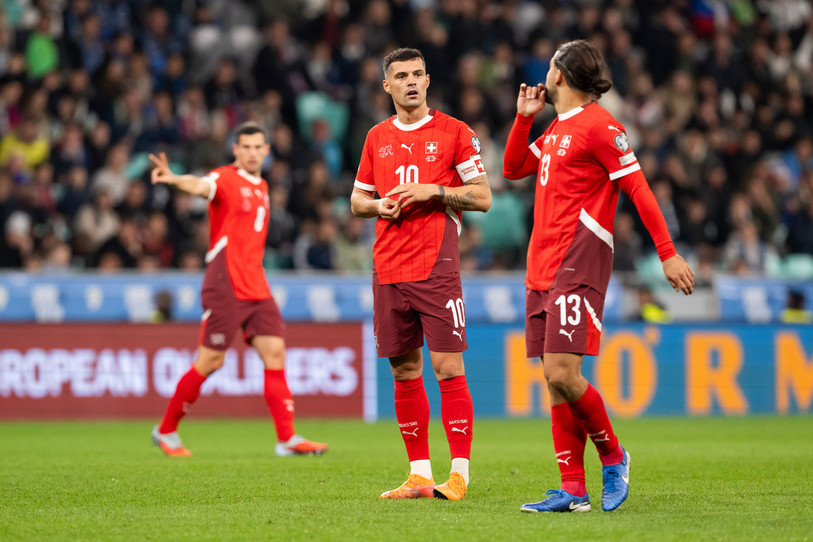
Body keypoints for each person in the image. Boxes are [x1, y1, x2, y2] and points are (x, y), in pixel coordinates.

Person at [503, 40, 694, 513]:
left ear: (561, 76)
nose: (544, 72)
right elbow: (512, 168)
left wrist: (667, 253)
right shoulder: (556, 129)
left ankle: (614, 455)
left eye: (549, 66)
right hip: (542, 266)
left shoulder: (601, 127)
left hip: (579, 260)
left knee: (562, 372)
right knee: (555, 380)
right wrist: (525, 117)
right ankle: (573, 490)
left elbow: (638, 187)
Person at [350, 48, 492, 501]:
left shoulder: (454, 132)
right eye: (400, 76)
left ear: (428, 80)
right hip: (388, 267)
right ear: (386, 86)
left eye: (417, 74)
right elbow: (357, 202)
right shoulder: (376, 137)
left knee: (447, 366)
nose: (411, 82)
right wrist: (378, 206)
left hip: (436, 267)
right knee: (404, 371)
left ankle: (459, 475)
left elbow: (483, 196)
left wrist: (435, 190)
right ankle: (417, 473)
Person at [149, 121, 328, 458]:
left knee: (275, 353)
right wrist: (175, 179)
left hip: (257, 284)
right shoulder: (225, 178)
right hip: (226, 282)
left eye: (257, 146)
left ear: (266, 151)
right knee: (210, 360)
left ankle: (286, 439)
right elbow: (202, 186)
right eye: (244, 146)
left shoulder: (262, 186)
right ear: (236, 150)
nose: (250, 152)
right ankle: (166, 430)